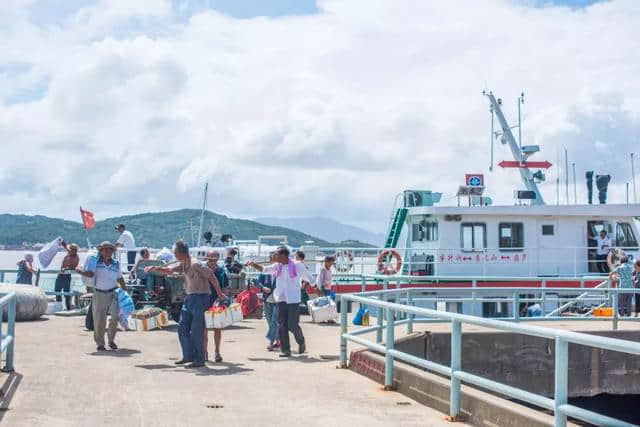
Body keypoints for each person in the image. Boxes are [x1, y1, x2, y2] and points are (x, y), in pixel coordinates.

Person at [146, 241, 225, 368]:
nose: (174, 255)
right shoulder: (184, 264)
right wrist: (155, 268)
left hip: (200, 298)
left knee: (197, 330)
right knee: (182, 327)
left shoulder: (196, 264)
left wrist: (220, 294)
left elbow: (212, 276)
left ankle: (199, 359)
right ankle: (188, 355)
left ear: (181, 253)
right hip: (189, 298)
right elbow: (169, 271)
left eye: (175, 253)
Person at [247, 246, 312, 357]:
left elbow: (309, 277)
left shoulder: (297, 265)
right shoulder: (277, 266)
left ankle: (301, 341)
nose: (274, 256)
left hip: (293, 300)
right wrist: (253, 265)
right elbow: (264, 269)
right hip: (281, 299)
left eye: (276, 254)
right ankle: (285, 350)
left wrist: (315, 286)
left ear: (283, 255)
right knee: (282, 325)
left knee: (292, 324)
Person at [76, 241, 126, 351]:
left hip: (113, 293)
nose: (108, 251)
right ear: (101, 251)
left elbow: (120, 278)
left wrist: (125, 292)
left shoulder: (116, 263)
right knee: (99, 320)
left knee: (115, 317)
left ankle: (111, 340)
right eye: (105, 249)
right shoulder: (94, 262)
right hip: (99, 293)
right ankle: (100, 343)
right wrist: (80, 270)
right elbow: (82, 267)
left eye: (110, 249)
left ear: (113, 251)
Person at [203, 250, 228, 363]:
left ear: (218, 259)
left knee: (217, 328)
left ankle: (217, 352)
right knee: (204, 329)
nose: (212, 261)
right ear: (206, 258)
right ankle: (204, 352)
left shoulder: (221, 271)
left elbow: (225, 288)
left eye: (215, 259)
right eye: (210, 259)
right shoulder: (202, 270)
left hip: (216, 303)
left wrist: (222, 299)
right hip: (203, 302)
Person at [258, 253, 280, 351]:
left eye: (277, 260)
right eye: (273, 260)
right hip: (267, 298)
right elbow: (258, 282)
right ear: (270, 260)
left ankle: (271, 342)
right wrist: (263, 288)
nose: (275, 262)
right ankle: (278, 340)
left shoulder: (281, 271)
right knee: (269, 320)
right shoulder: (266, 270)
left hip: (278, 299)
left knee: (274, 321)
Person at [55, 242, 80, 309]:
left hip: (66, 276)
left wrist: (67, 268)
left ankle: (68, 307)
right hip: (60, 274)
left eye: (73, 250)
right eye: (71, 249)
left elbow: (74, 267)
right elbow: (66, 246)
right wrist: (63, 242)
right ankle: (58, 306)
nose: (70, 250)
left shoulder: (76, 258)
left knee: (66, 293)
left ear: (75, 251)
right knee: (57, 291)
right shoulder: (69, 252)